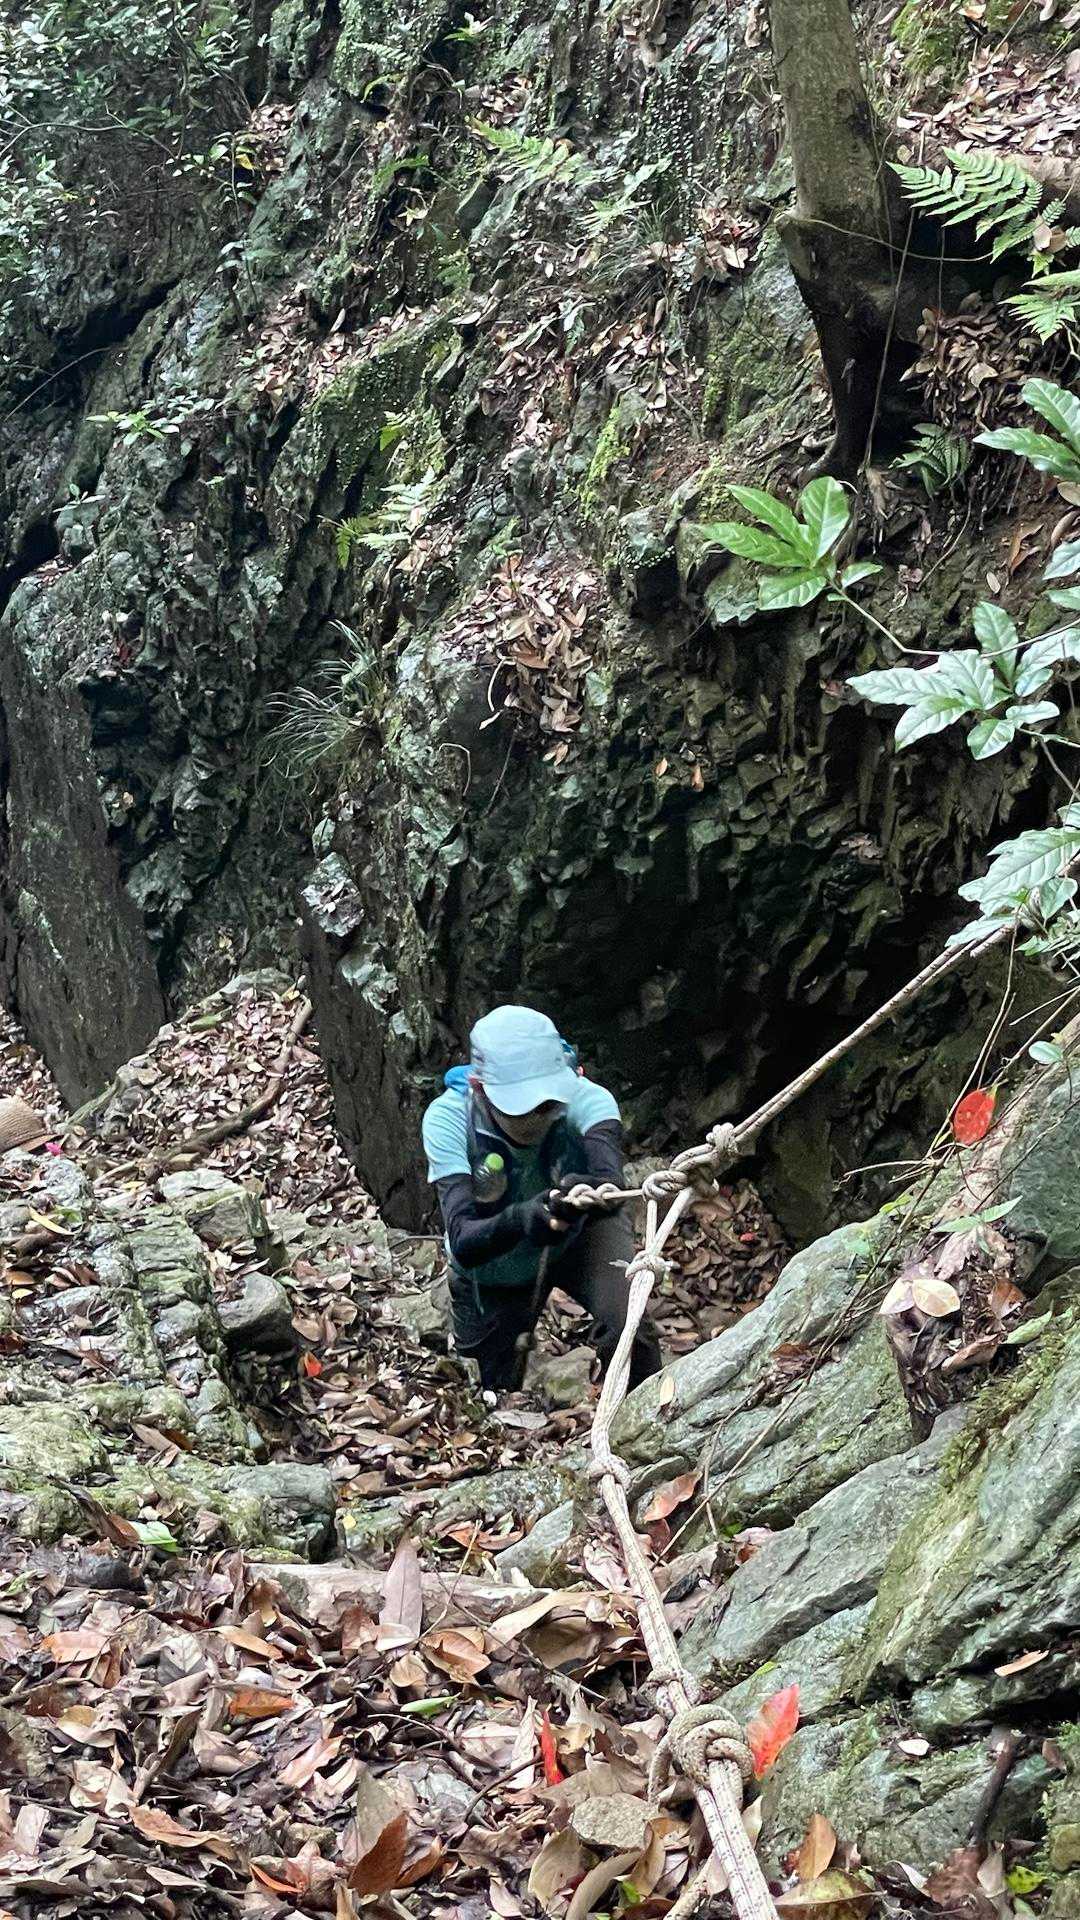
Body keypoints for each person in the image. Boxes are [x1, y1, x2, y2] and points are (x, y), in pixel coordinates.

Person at [422, 1004, 662, 1393]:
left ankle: (647, 1412)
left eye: (552, 1104)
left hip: (580, 1234)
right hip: (495, 1263)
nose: (543, 1117)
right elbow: (464, 1239)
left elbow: (610, 1187)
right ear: (480, 1089)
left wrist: (584, 1190)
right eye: (527, 1108)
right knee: (490, 1385)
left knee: (631, 1329)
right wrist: (524, 1218)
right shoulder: (448, 1121)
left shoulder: (585, 1097)